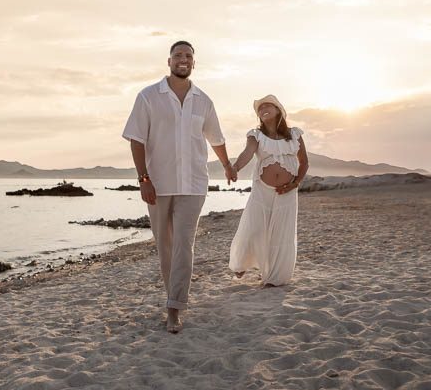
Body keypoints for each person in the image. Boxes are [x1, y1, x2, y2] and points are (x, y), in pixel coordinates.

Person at [122, 40, 236, 333]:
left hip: (194, 184)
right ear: (169, 61)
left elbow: (216, 139)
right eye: (178, 55)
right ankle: (172, 295)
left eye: (188, 56)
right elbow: (137, 138)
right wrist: (143, 178)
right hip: (158, 184)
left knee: (184, 245)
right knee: (166, 247)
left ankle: (174, 308)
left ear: (194, 63)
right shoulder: (148, 97)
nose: (183, 60)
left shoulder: (204, 101)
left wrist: (227, 165)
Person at [228, 94, 308, 286]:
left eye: (267, 105)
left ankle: (274, 277)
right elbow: (247, 153)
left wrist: (295, 183)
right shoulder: (256, 135)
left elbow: (304, 162)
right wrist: (235, 167)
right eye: (260, 108)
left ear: (278, 110)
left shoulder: (295, 134)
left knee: (282, 233)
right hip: (262, 190)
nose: (263, 108)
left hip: (287, 192)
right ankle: (241, 263)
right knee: (254, 227)